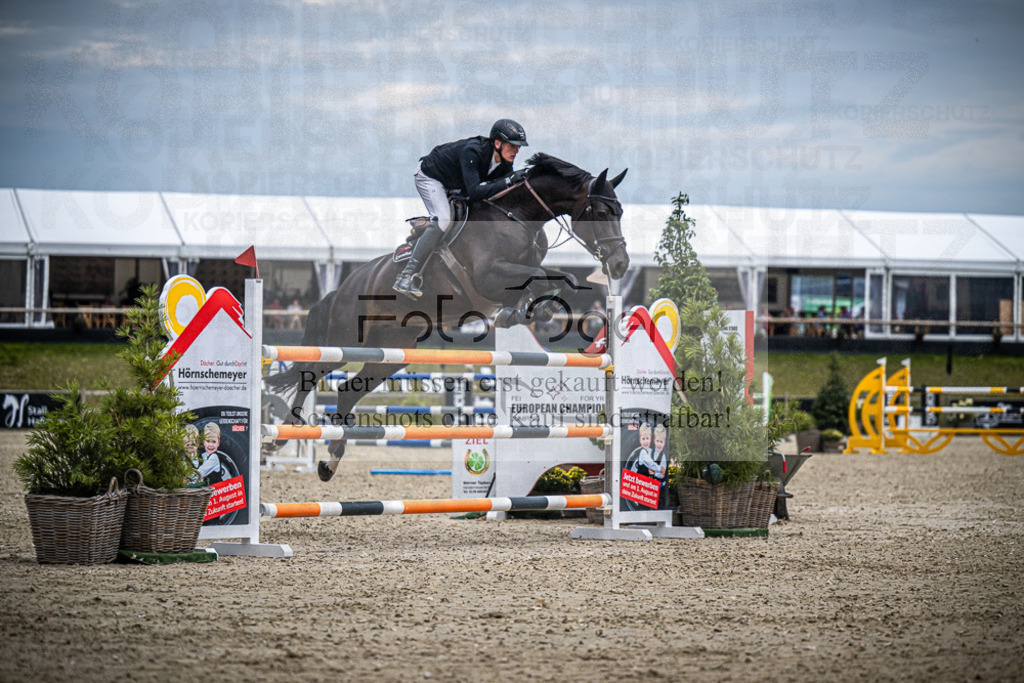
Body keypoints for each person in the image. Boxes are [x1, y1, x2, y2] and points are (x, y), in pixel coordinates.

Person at [393, 118, 530, 299]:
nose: (516, 150)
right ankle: (406, 276)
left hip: (455, 183)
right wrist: (508, 181)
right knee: (444, 220)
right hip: (431, 177)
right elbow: (474, 191)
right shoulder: (472, 151)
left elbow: (498, 192)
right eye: (512, 145)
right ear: (497, 143)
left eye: (518, 146)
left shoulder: (504, 164)